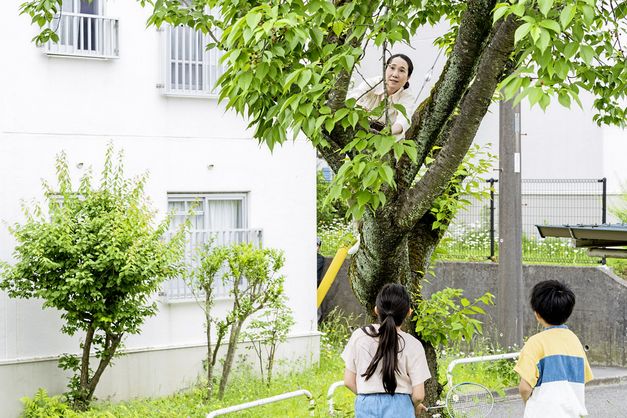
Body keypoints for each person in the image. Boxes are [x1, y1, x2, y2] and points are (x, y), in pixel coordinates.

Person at [342, 283, 431, 418]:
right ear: (409, 312)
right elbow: (419, 395)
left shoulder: (359, 336)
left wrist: (369, 397)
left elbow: (348, 381)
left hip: (365, 403)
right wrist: (414, 406)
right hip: (400, 406)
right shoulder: (413, 344)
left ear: (377, 310)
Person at [514, 280, 593, 417]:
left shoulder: (535, 342)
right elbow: (582, 379)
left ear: (537, 314)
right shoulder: (575, 341)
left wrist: (530, 404)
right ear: (568, 312)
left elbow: (524, 388)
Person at [348, 53, 416, 140]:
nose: (395, 74)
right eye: (392, 68)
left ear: (408, 77)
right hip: (360, 132)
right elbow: (353, 98)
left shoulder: (407, 96)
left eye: (402, 70)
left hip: (385, 140)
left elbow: (403, 121)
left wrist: (384, 132)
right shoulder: (373, 83)